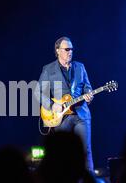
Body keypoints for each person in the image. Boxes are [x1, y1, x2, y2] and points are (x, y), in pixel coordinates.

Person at [34, 36, 94, 172]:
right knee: (62, 153)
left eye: (71, 49)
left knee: (85, 150)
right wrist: (51, 105)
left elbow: (87, 87)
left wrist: (89, 95)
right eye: (67, 49)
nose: (70, 52)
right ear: (58, 50)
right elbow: (38, 92)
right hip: (61, 118)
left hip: (81, 114)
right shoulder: (48, 69)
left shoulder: (80, 67)